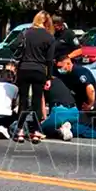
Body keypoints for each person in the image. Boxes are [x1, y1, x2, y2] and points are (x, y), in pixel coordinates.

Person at [11, 10, 55, 144]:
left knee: (23, 100)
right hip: (39, 70)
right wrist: (48, 77)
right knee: (37, 101)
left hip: (24, 68)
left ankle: (19, 131)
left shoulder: (25, 32)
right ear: (47, 22)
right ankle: (36, 131)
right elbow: (49, 60)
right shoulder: (49, 37)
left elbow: (12, 46)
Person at [40, 76, 96, 140]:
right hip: (74, 112)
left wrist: (45, 119)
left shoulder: (42, 84)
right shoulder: (59, 81)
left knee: (41, 129)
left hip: (60, 113)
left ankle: (61, 129)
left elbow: (42, 104)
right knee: (78, 129)